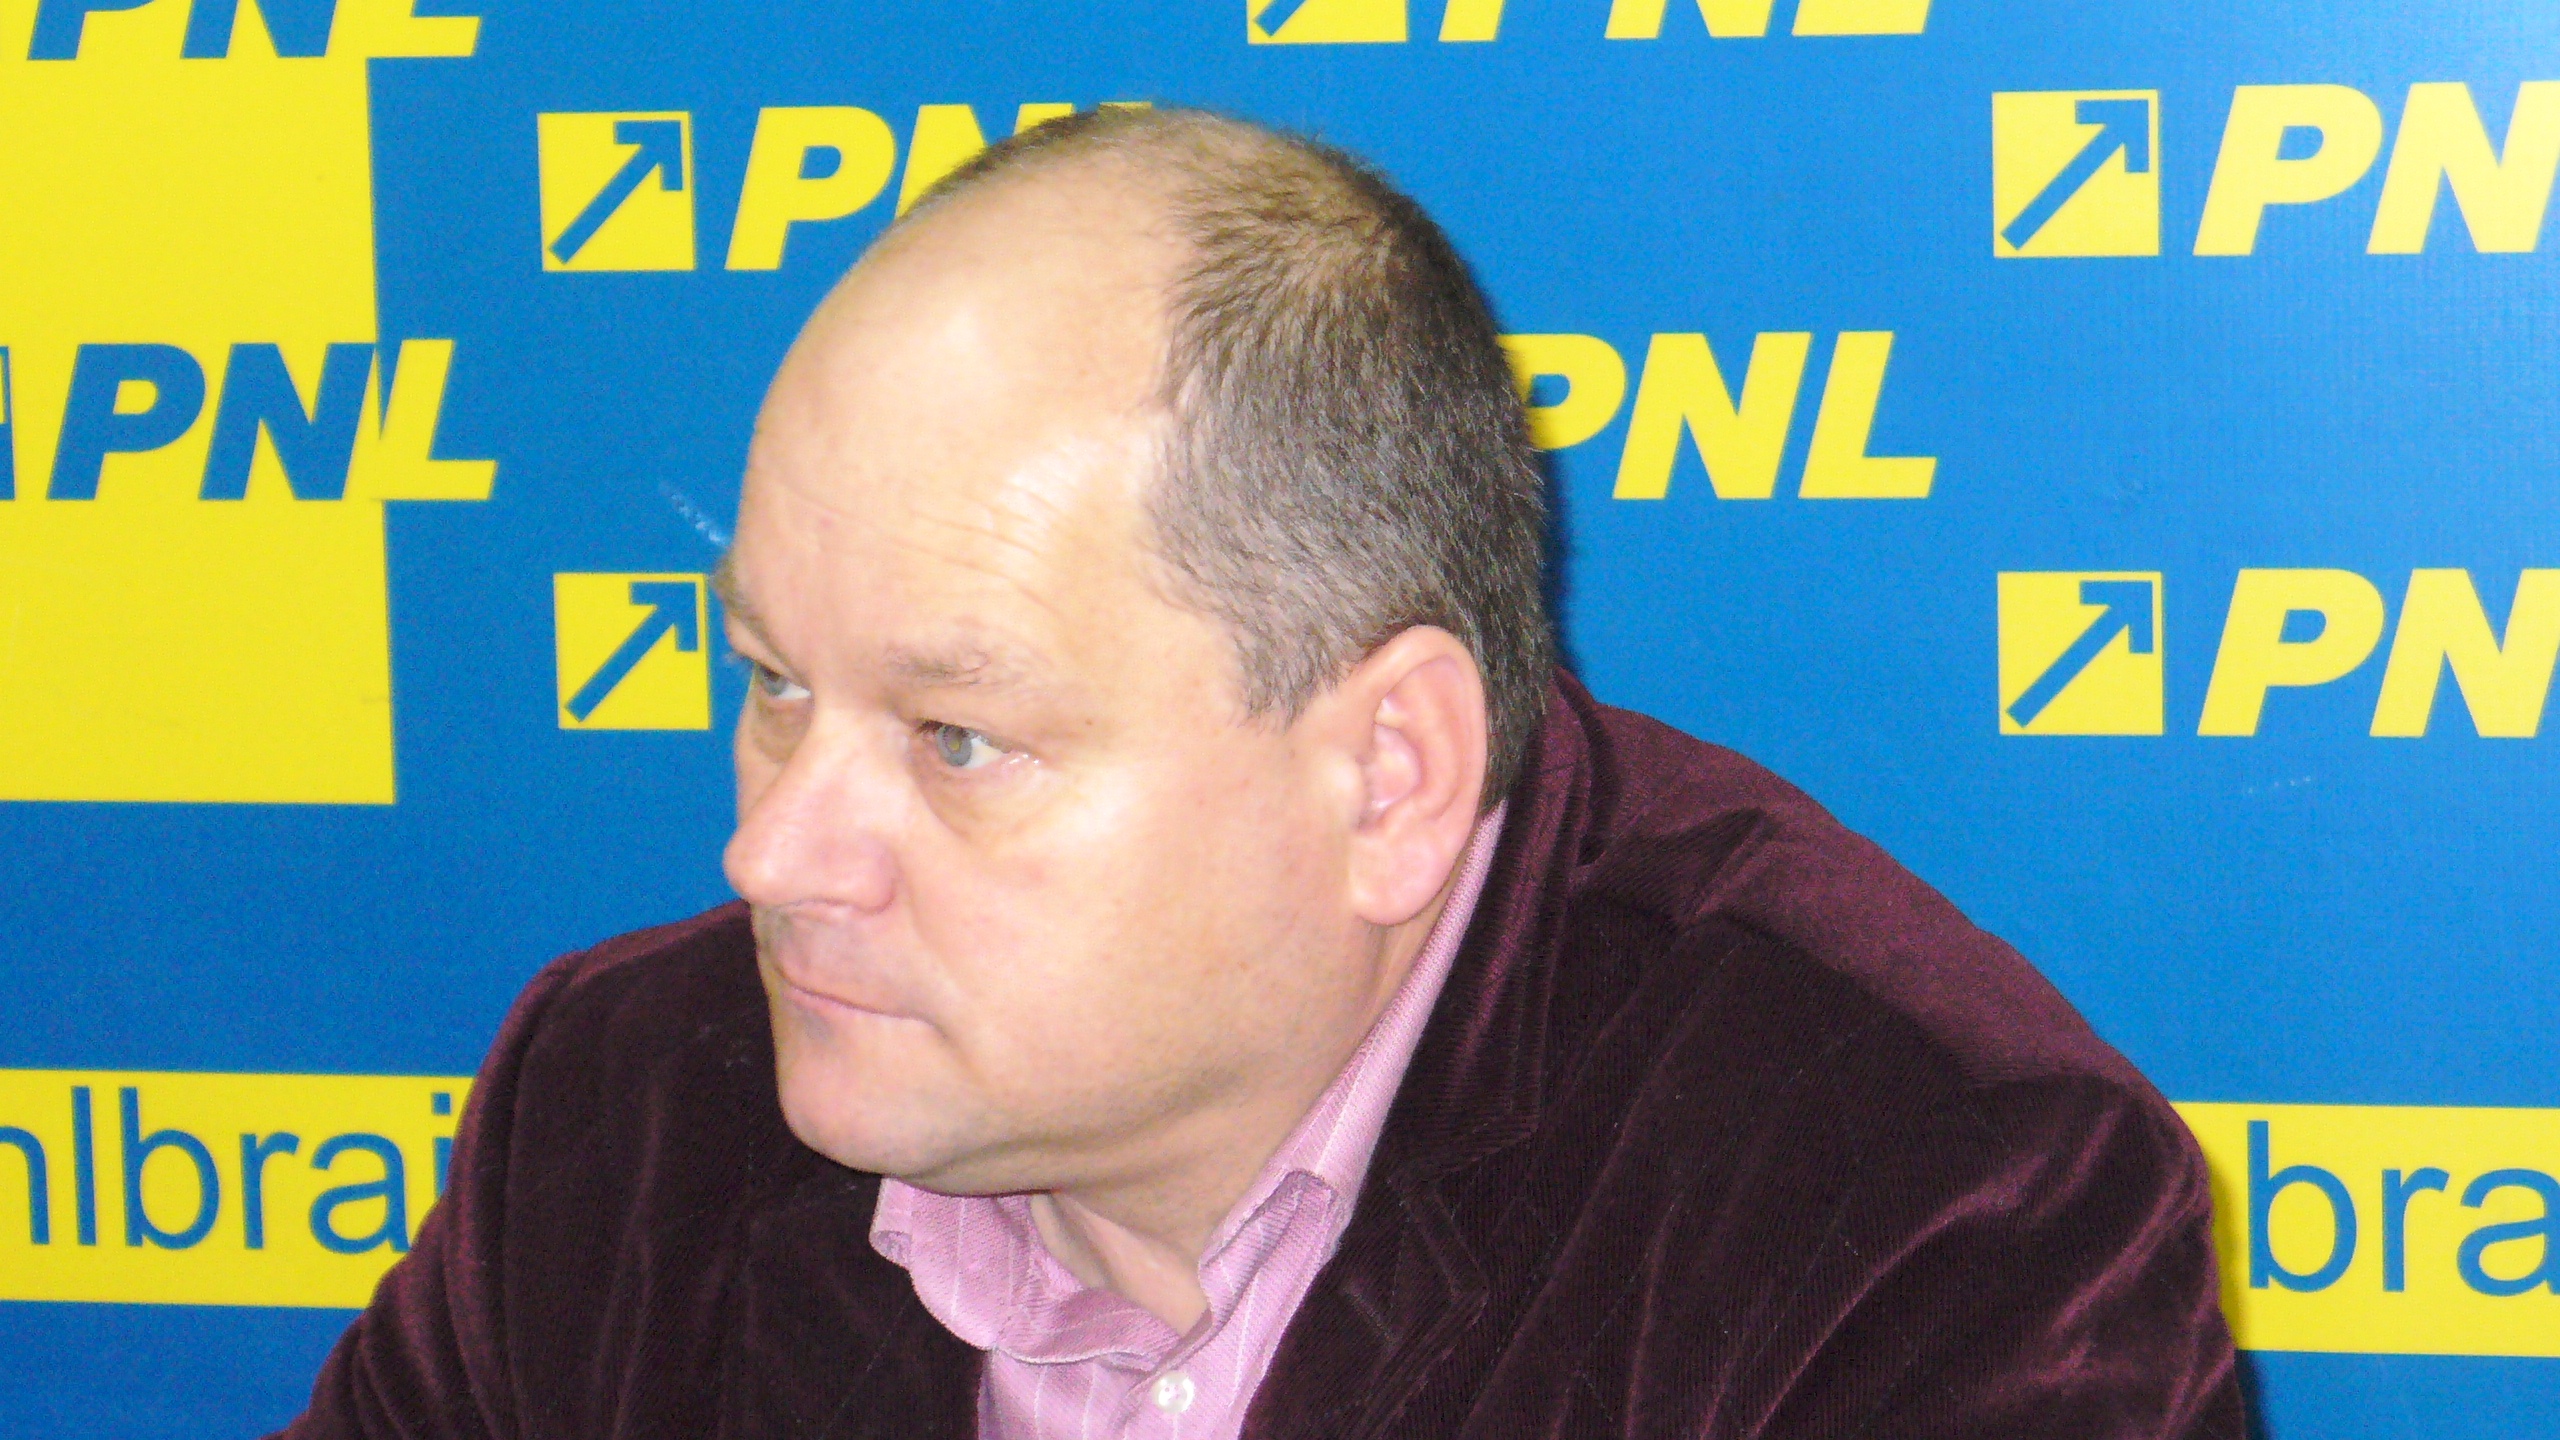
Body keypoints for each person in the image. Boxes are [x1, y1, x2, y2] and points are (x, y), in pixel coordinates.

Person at [277, 107, 2243, 1439]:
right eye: (777, 684)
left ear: (1386, 776)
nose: (773, 852)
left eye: (958, 741)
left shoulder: (1920, 1220)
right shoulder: (625, 1119)